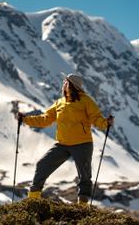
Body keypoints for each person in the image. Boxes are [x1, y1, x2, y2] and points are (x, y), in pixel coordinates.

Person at [18, 73, 114, 204]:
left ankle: (82, 205)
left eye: (66, 82)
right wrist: (25, 119)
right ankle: (33, 198)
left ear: (72, 85)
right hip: (62, 144)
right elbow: (45, 119)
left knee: (84, 176)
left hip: (82, 144)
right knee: (42, 165)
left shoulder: (86, 101)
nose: (63, 84)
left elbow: (96, 118)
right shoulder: (60, 102)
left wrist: (105, 123)